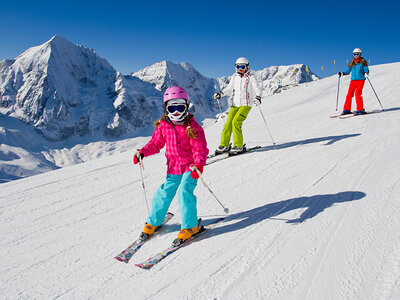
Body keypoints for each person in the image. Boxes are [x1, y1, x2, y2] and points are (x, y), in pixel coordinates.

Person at [133, 86, 209, 246]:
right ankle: (154, 221)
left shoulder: (193, 127)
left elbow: (200, 148)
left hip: (191, 167)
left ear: (186, 106)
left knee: (184, 192)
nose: (176, 112)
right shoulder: (164, 125)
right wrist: (143, 152)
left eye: (179, 107)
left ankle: (191, 227)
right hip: (173, 167)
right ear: (166, 108)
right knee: (164, 192)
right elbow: (156, 143)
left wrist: (199, 165)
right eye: (171, 108)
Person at [214, 57, 262, 155]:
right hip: (235, 104)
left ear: (247, 67)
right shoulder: (234, 76)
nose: (240, 69)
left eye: (242, 66)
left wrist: (258, 97)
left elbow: (257, 88)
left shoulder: (251, 76)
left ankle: (238, 146)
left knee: (236, 122)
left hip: (246, 104)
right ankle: (225, 145)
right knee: (228, 124)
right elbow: (230, 88)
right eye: (238, 66)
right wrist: (221, 93)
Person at [338, 48, 370, 115]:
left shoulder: (363, 62)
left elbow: (366, 69)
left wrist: (366, 73)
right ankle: (346, 109)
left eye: (357, 54)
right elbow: (347, 71)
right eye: (355, 54)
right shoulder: (352, 63)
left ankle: (360, 109)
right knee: (349, 94)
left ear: (360, 54)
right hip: (353, 81)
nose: (356, 56)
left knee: (358, 94)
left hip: (360, 80)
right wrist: (342, 73)